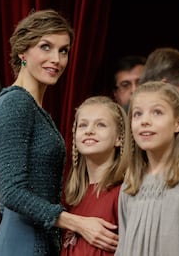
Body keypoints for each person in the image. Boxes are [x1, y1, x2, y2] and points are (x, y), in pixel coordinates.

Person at [0, 9, 119, 256]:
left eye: (63, 51)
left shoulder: (34, 107)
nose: (57, 59)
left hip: (38, 241)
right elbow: (12, 193)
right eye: (46, 47)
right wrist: (78, 223)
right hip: (21, 243)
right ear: (22, 52)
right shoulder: (16, 103)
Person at [115, 81, 179, 255]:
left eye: (157, 112)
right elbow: (122, 248)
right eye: (137, 114)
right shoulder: (130, 185)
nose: (145, 121)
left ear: (178, 123)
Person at [60, 96, 130, 256]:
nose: (89, 130)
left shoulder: (124, 192)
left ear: (119, 138)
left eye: (101, 125)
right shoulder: (73, 196)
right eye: (83, 124)